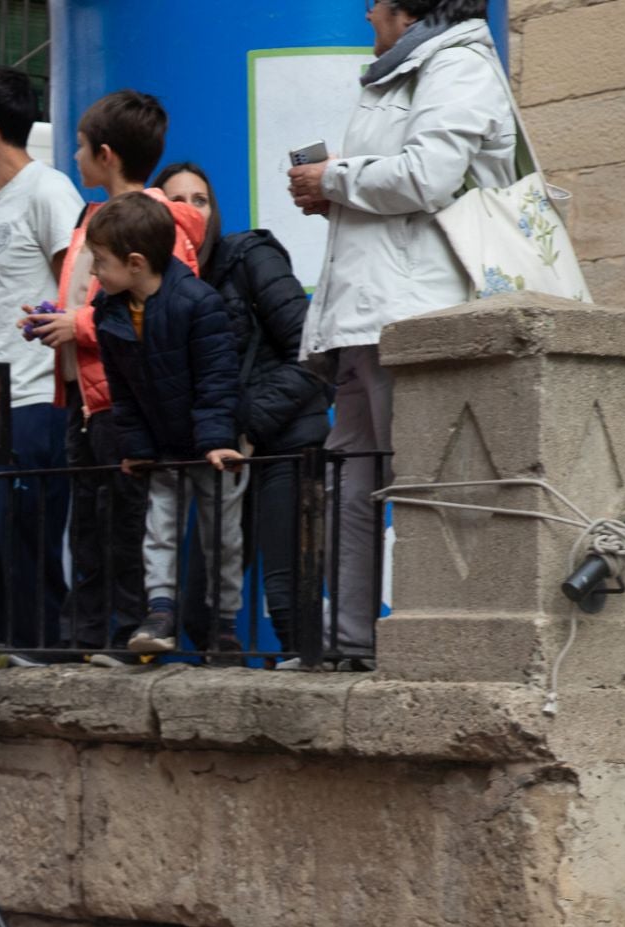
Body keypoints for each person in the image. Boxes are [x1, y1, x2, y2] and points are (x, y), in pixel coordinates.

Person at [288, 0, 512, 658]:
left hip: (409, 314)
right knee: (349, 481)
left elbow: (428, 174)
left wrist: (335, 176)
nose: (365, 15)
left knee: (416, 478)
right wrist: (335, 187)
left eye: (375, 3)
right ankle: (348, 638)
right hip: (367, 315)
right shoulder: (408, 71)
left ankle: (429, 640)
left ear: (408, 8)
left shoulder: (458, 66)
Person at [25, 90, 207, 664]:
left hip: (125, 397)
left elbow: (160, 308)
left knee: (127, 524)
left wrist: (75, 325)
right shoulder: (92, 217)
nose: (73, 157)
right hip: (87, 397)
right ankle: (85, 639)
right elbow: (94, 297)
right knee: (89, 526)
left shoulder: (158, 223)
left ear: (105, 154)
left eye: (79, 147)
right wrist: (57, 319)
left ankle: (131, 636)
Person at [157, 161, 332, 657]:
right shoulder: (168, 289)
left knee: (285, 598)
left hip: (285, 444)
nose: (189, 210)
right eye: (176, 201)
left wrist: (248, 422)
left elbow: (312, 349)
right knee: (200, 611)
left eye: (200, 199)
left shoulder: (247, 256)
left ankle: (312, 696)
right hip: (229, 454)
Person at [0, 64, 83, 659]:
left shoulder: (49, 190)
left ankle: (42, 658)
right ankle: (0, 649)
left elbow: (81, 283)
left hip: (34, 400)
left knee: (27, 542)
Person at [87, 193, 243, 653]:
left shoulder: (198, 302)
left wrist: (217, 439)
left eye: (100, 262)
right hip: (162, 448)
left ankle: (224, 626)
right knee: (159, 532)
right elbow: (124, 392)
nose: (94, 272)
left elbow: (218, 378)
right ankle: (160, 614)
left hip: (213, 450)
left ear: (135, 263)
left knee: (223, 538)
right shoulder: (110, 312)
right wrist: (135, 447)